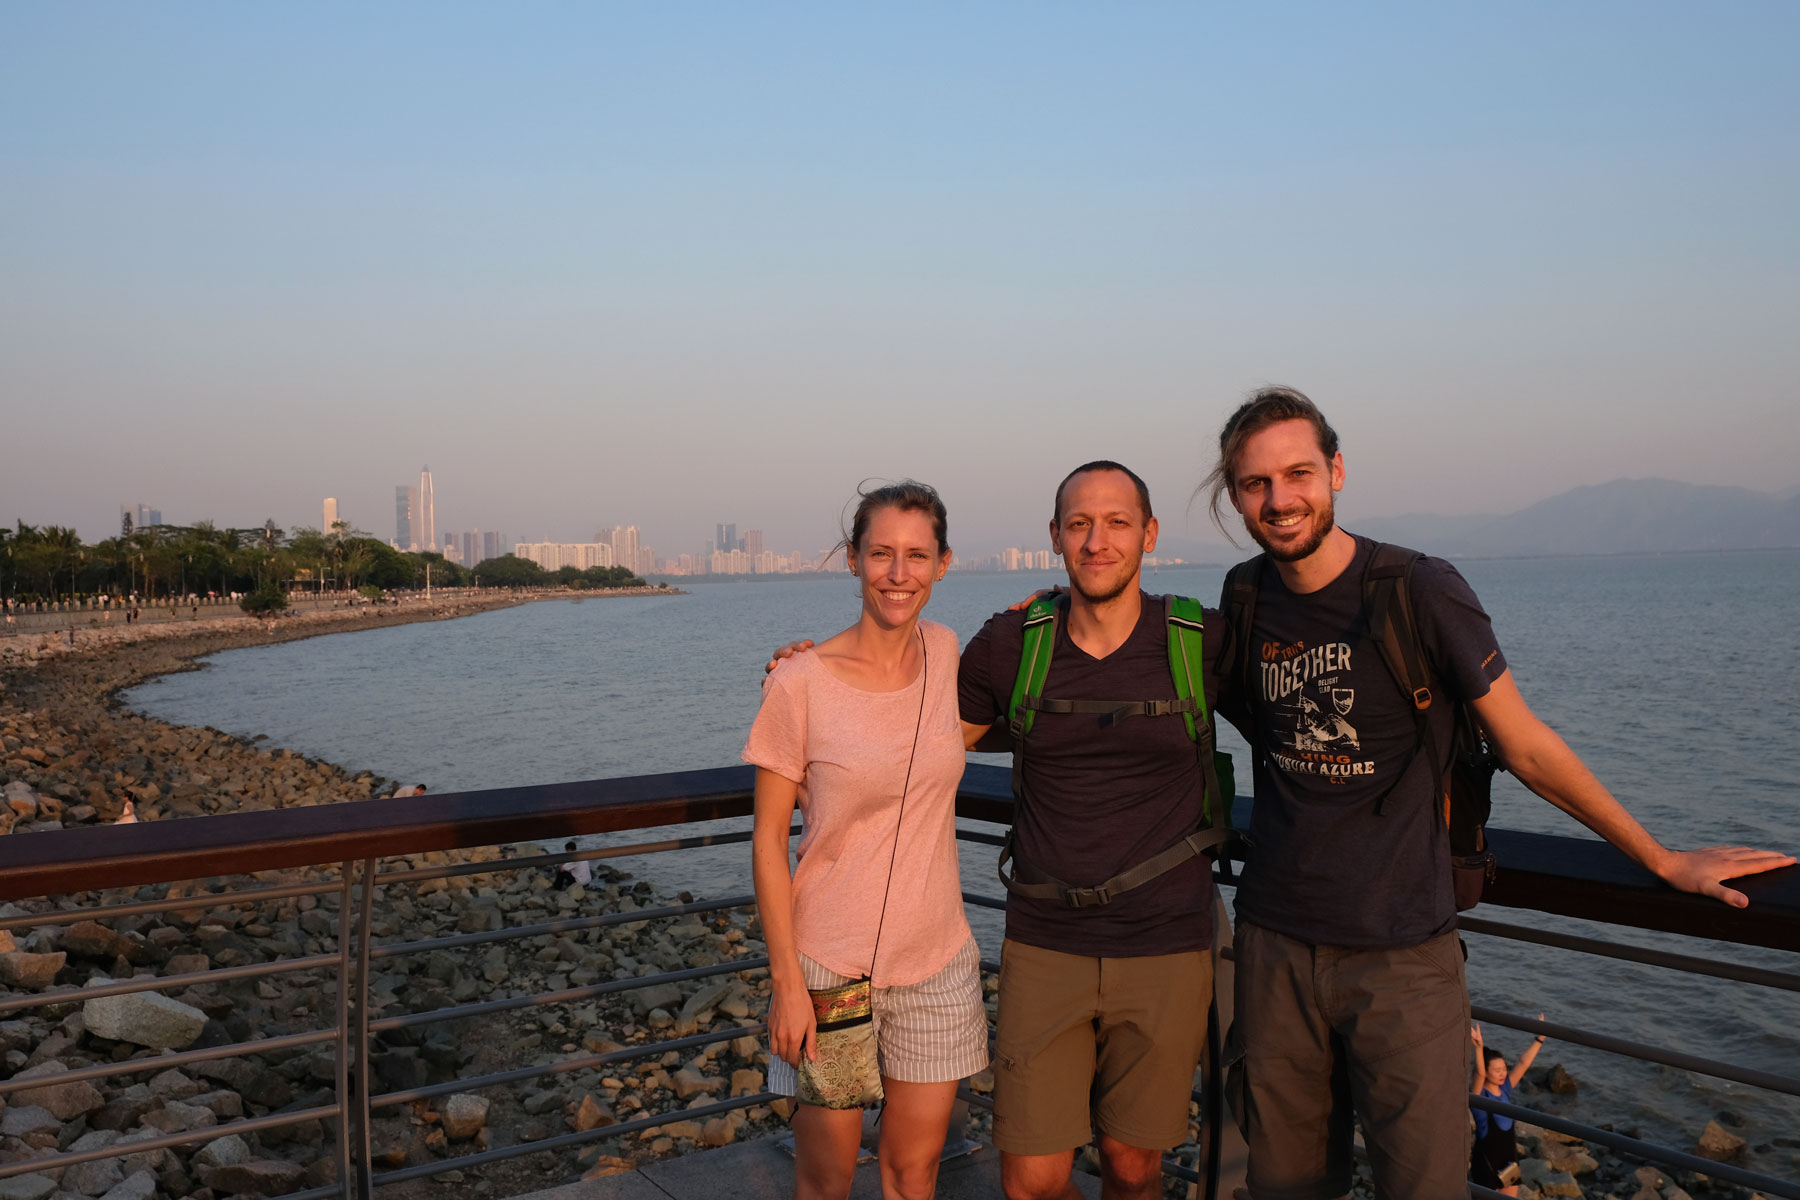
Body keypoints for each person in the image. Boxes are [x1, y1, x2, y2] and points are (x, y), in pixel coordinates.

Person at [1203, 385, 1795, 1200]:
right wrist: (1051, 618)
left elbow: (1526, 745)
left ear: (1336, 470)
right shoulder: (1243, 600)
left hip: (1403, 957)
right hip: (1273, 950)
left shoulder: (1418, 589)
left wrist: (1660, 857)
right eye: (1255, 483)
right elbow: (1156, 677)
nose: (1279, 499)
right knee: (1285, 1186)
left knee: (1426, 1185)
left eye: (1298, 473)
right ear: (1234, 495)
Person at [770, 462, 1224, 1200]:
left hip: (1155, 941)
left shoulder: (1196, 638)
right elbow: (900, 723)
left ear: (1150, 533)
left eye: (1116, 523)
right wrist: (808, 668)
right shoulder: (1007, 645)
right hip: (1031, 943)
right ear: (1054, 536)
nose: (1097, 540)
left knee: (1132, 1167)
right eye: (1079, 524)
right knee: (1028, 1179)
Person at [747, 481, 989, 1200]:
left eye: (917, 555)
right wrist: (788, 984)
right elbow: (766, 840)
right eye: (881, 553)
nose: (898, 572)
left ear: (943, 563)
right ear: (853, 558)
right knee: (824, 1181)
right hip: (829, 973)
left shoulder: (947, 654)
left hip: (937, 968)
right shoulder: (800, 683)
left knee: (913, 1175)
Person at [1469, 1018, 1546, 1196]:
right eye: (1497, 1070)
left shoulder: (1505, 1089)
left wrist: (1540, 1038)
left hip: (1509, 1161)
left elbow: (1523, 1064)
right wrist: (1479, 1048)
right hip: (1487, 1163)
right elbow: (1479, 1073)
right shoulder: (1479, 1096)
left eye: (1504, 1068)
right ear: (1487, 1073)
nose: (1503, 1073)